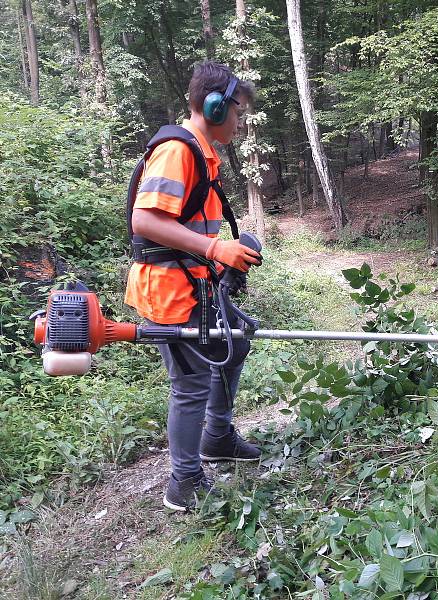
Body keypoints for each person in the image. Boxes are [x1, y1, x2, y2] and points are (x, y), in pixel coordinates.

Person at [125, 61, 263, 512]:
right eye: (238, 113)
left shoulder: (202, 152)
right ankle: (182, 483)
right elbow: (144, 220)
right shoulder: (177, 151)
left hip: (195, 282)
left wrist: (219, 256)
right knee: (191, 382)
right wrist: (214, 249)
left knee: (236, 344)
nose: (241, 123)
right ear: (215, 106)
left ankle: (217, 437)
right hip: (168, 288)